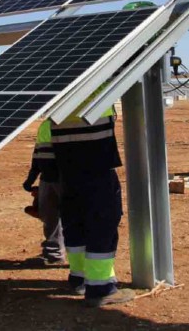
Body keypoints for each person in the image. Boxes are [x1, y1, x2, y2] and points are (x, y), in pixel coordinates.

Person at [51, 102, 136, 308]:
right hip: (97, 165)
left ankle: (79, 278)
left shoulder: (56, 91)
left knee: (75, 223)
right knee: (102, 224)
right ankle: (100, 288)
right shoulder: (96, 84)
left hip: (68, 168)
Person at [22, 121, 65, 266]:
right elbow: (38, 154)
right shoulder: (45, 126)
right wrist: (31, 178)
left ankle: (81, 255)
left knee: (74, 217)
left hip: (66, 179)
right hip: (47, 180)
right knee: (50, 217)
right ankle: (53, 255)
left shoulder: (69, 123)